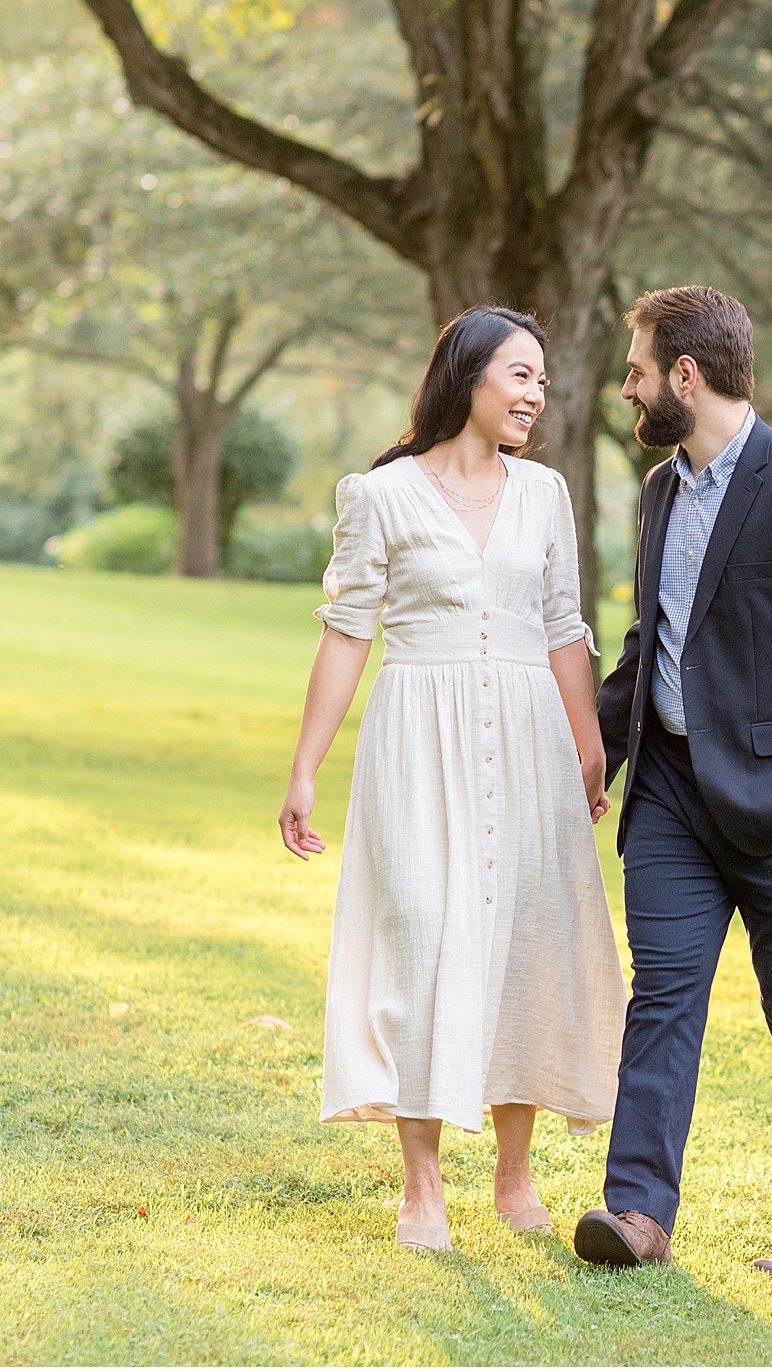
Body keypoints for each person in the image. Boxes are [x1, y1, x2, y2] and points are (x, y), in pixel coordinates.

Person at [278, 305, 626, 1254]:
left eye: (542, 382)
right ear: (469, 376)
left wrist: (588, 747)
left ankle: (514, 1178)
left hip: (529, 739)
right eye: (520, 376)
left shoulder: (546, 492)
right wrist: (306, 766)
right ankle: (421, 1185)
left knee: (523, 936)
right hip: (415, 734)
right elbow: (349, 630)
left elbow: (563, 626)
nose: (535, 396)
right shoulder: (380, 493)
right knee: (425, 932)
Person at [572, 286, 772, 1275]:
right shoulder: (659, 489)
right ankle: (635, 1212)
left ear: (685, 374)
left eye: (635, 368)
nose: (623, 385)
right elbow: (651, 641)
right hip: (671, 796)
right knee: (661, 996)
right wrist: (592, 750)